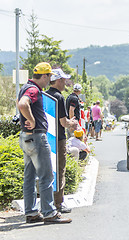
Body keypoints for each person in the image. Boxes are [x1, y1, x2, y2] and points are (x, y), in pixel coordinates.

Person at [17, 62, 71, 224]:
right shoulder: (33, 90)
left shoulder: (24, 87)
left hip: (26, 137)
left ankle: (32, 212)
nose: (49, 81)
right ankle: (49, 212)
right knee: (47, 176)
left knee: (30, 177)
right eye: (49, 77)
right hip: (37, 137)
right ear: (45, 76)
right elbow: (22, 104)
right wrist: (31, 120)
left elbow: (21, 103)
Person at [46, 68, 78, 213]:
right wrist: (72, 123)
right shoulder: (58, 97)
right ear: (58, 81)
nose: (65, 83)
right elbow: (63, 122)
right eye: (64, 80)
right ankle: (59, 203)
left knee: (47, 171)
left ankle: (47, 202)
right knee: (60, 170)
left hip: (46, 138)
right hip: (59, 139)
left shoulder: (44, 95)